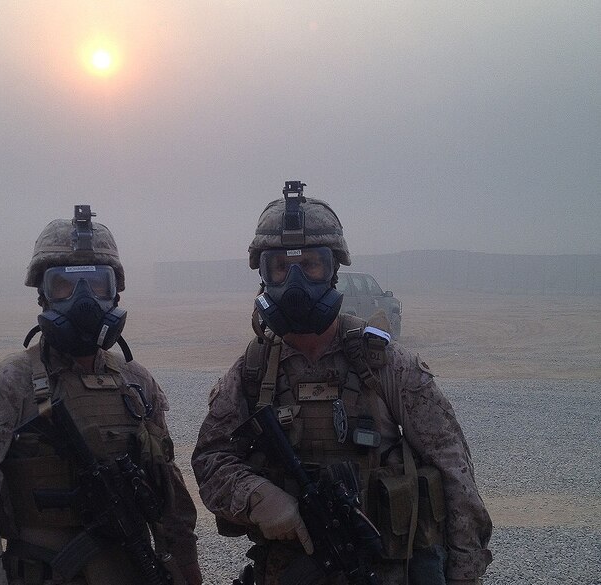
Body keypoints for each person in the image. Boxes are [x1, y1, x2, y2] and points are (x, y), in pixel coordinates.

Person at [191, 182, 492, 585]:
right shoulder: (251, 372)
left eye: (311, 264)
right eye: (279, 267)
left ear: (334, 269)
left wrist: (463, 576)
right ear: (263, 276)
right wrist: (257, 497)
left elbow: (453, 472)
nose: (295, 281)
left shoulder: (387, 365)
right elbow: (210, 460)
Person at [0, 205, 202, 585]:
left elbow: (166, 492)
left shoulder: (137, 383)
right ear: (43, 294)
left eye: (96, 284)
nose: (83, 299)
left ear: (115, 292)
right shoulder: (5, 384)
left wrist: (186, 567)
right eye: (64, 285)